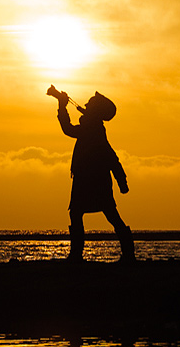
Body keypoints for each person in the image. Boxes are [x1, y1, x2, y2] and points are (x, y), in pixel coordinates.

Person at [52, 88, 134, 263]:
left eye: (90, 103)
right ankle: (127, 253)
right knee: (104, 215)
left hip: (92, 181)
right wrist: (121, 181)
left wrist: (61, 105)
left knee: (99, 214)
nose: (86, 104)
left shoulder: (92, 129)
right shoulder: (94, 127)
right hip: (90, 180)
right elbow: (112, 158)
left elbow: (68, 129)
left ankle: (77, 255)